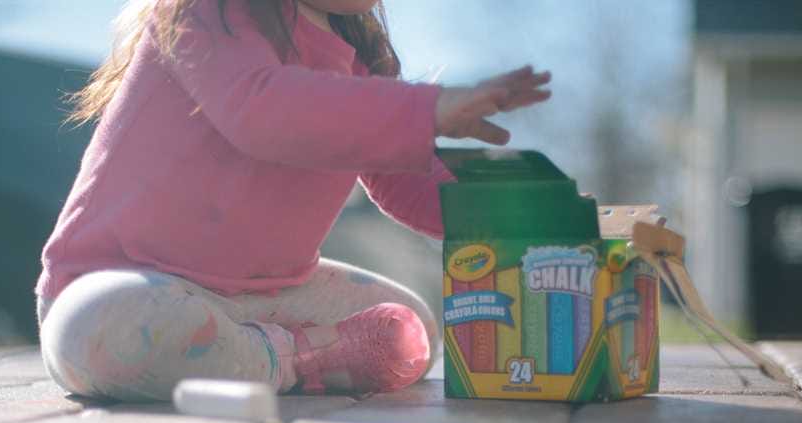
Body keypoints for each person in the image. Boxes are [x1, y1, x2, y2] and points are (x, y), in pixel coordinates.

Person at [36, 0, 551, 401]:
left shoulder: (358, 63)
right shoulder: (201, 12)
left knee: (415, 325)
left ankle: (262, 358)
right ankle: (294, 360)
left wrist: (521, 217)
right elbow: (264, 108)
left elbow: (405, 180)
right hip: (121, 284)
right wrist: (429, 110)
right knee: (110, 329)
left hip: (264, 297)